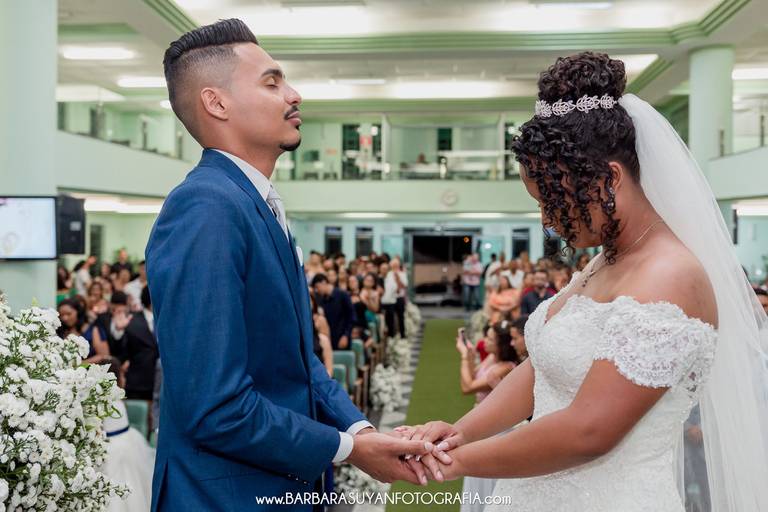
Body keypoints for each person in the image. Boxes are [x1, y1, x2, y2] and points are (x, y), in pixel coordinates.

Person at [397, 52, 768, 511]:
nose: (547, 220)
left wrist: (451, 462)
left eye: (553, 201)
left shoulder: (671, 276)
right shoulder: (603, 261)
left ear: (609, 179)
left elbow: (590, 430)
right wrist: (459, 432)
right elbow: (543, 367)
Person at [146, 19, 429, 511]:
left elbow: (297, 363)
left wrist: (360, 429)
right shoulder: (206, 206)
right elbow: (214, 406)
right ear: (217, 103)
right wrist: (346, 449)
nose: (294, 95)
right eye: (272, 82)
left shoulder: (250, 200)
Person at [99, 357, 155, 512]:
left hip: (126, 442)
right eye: (122, 375)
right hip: (118, 446)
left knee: (132, 481)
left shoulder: (114, 398)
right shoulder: (104, 401)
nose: (125, 379)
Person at [312, 273, 355, 350]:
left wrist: (346, 335)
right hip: (330, 339)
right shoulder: (321, 300)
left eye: (317, 287)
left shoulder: (343, 295)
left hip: (343, 337)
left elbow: (351, 317)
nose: (317, 290)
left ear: (324, 282)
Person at [381, 257, 408, 339]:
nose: (395, 266)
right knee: (390, 317)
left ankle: (403, 334)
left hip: (399, 298)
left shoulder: (402, 274)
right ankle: (391, 335)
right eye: (393, 265)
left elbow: (404, 286)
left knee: (401, 317)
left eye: (396, 265)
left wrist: (398, 279)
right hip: (390, 299)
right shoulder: (388, 274)